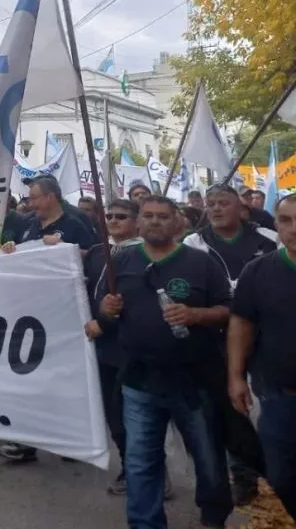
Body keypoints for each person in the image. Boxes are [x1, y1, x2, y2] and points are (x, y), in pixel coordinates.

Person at [100, 195, 233, 529]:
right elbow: (102, 313)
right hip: (139, 381)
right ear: (139, 223)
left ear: (178, 222)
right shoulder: (121, 262)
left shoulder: (201, 263)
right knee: (141, 462)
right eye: (148, 216)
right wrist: (107, 310)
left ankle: (213, 517)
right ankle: (145, 523)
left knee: (208, 459)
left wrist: (196, 314)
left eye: (163, 216)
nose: (155, 221)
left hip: (194, 381)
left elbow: (229, 311)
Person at [183, 185, 276, 505]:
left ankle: (277, 467)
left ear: (241, 207)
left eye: (224, 203)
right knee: (233, 409)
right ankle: (246, 475)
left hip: (267, 338)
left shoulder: (268, 238)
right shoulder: (194, 244)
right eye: (211, 205)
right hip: (217, 340)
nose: (217, 209)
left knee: (269, 404)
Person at [0, 175, 95, 463]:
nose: (30, 202)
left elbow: (93, 257)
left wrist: (67, 249)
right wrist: (11, 250)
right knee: (29, 376)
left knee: (63, 380)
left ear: (51, 197)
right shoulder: (29, 224)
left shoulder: (75, 223)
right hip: (32, 313)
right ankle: (27, 440)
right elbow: (22, 253)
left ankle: (72, 439)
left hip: (63, 317)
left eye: (35, 197)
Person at [228, 193, 296, 520]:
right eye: (286, 220)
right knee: (282, 475)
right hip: (280, 396)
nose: (295, 228)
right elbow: (241, 322)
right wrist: (236, 376)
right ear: (276, 225)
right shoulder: (258, 272)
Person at [83, 199, 142, 495]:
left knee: (137, 416)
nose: (114, 220)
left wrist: (104, 322)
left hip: (130, 347)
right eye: (109, 216)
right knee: (113, 414)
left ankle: (149, 470)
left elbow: (136, 301)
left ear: (137, 221)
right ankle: (129, 466)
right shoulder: (97, 252)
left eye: (122, 216)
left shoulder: (144, 253)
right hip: (102, 349)